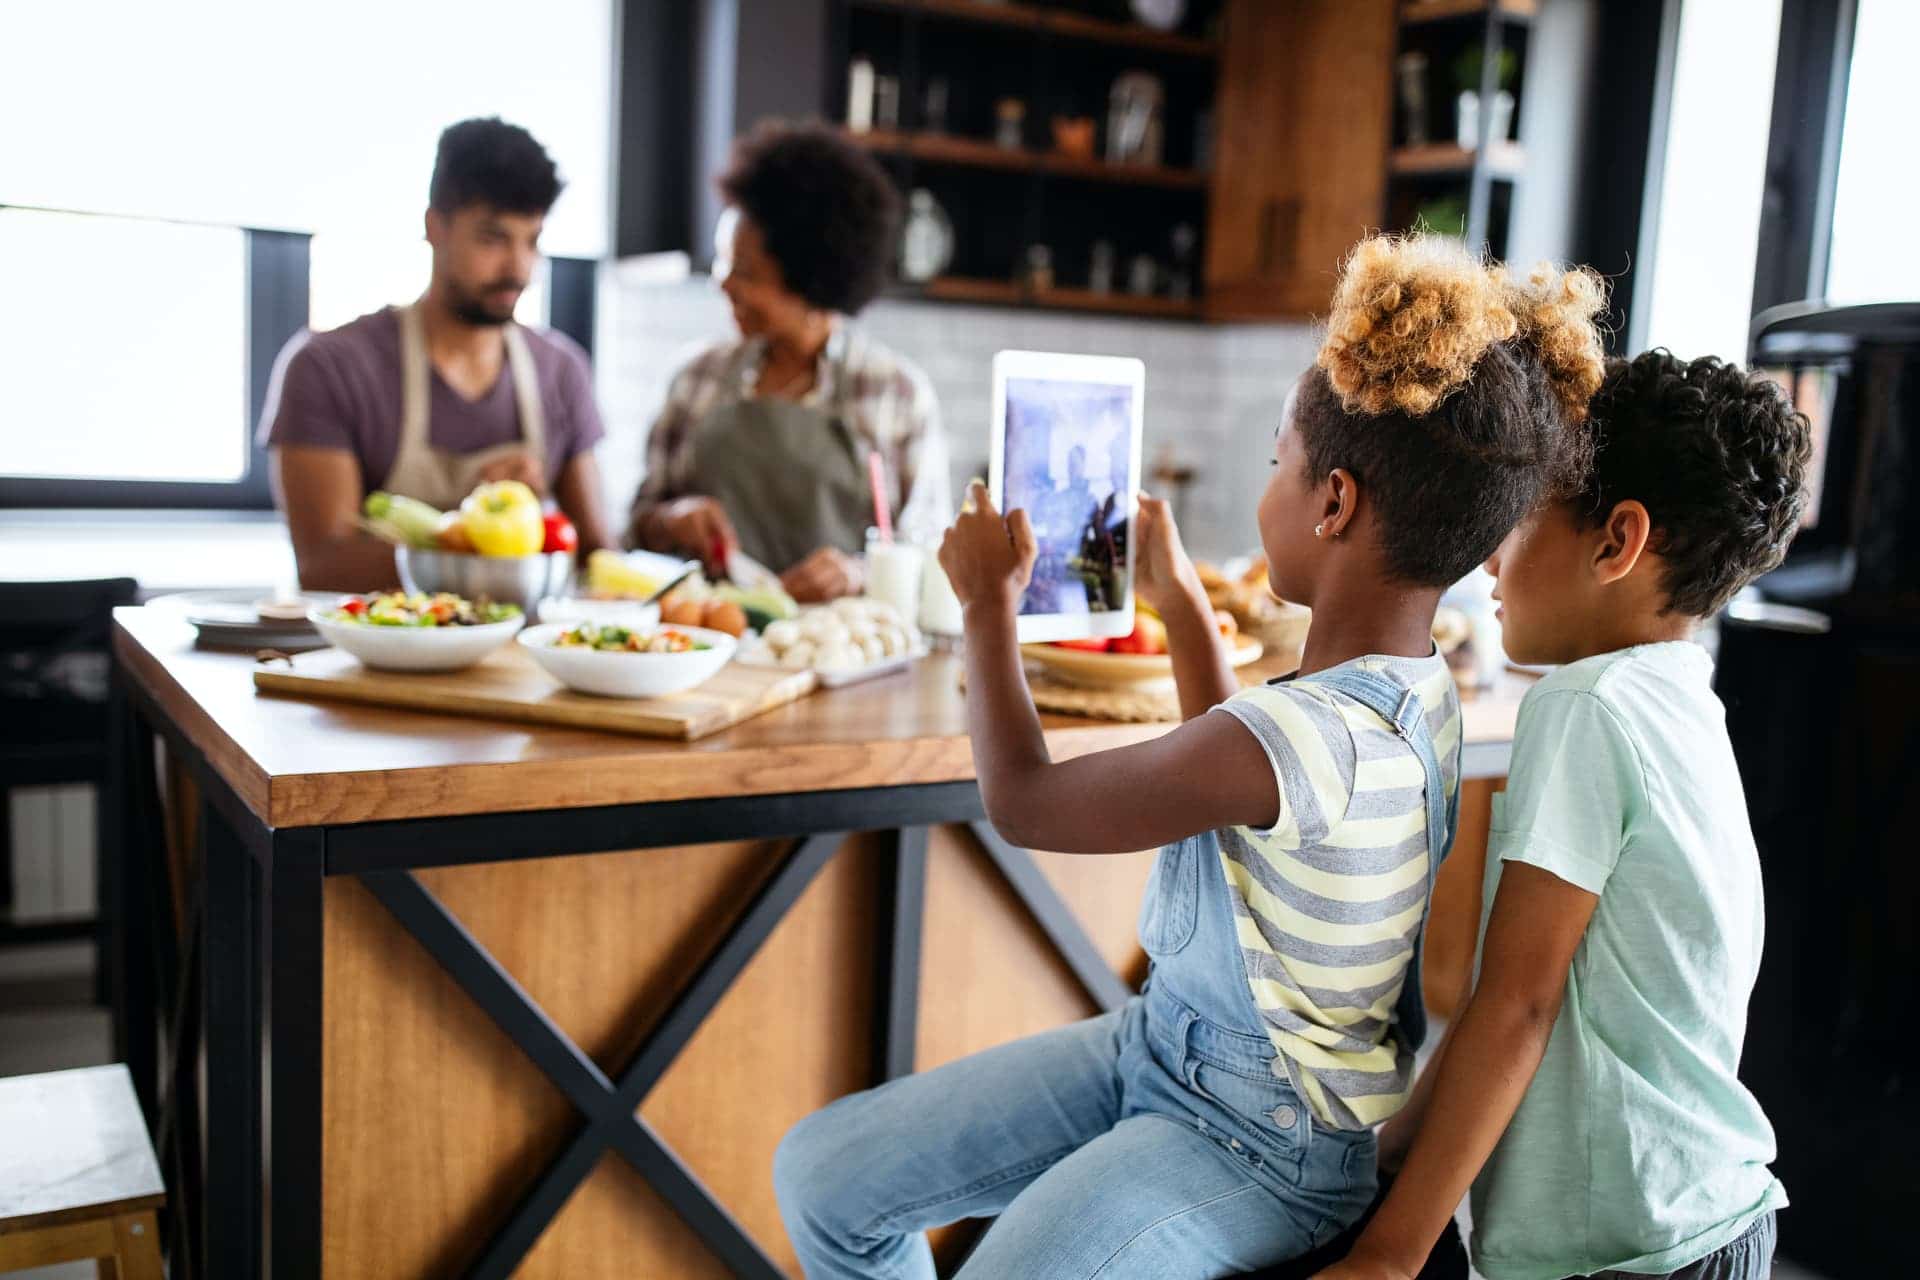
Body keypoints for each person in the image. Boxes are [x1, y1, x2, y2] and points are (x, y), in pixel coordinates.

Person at [771, 236, 1607, 1279]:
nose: (1269, 485)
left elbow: (1027, 803)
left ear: (1334, 503)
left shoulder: (1306, 735)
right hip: (1162, 1049)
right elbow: (1247, 786)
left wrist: (987, 603)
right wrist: (1174, 598)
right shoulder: (1414, 689)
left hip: (1260, 1145)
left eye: (1276, 462)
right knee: (825, 1176)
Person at [1313, 351, 1809, 1280]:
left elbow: (1518, 1005)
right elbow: (1520, 986)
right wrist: (1390, 1151)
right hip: (1709, 1219)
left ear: (1616, 541)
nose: (1492, 554)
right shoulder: (1680, 697)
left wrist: (1387, 1255)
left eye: (1524, 511)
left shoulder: (1587, 707)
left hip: (1626, 1251)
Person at [260, 117, 615, 590]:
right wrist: (474, 532)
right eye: (492, 238)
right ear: (435, 227)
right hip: (381, 654)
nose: (518, 269)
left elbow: (596, 556)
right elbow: (323, 565)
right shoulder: (328, 367)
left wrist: (535, 516)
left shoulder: (562, 371)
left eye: (532, 240)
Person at [625, 120, 949, 602]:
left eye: (747, 273)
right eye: (722, 262)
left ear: (813, 282)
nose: (724, 284)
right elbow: (635, 528)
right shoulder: (696, 378)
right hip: (711, 643)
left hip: (841, 651)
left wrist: (858, 574)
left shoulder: (896, 394)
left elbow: (930, 556)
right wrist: (672, 520)